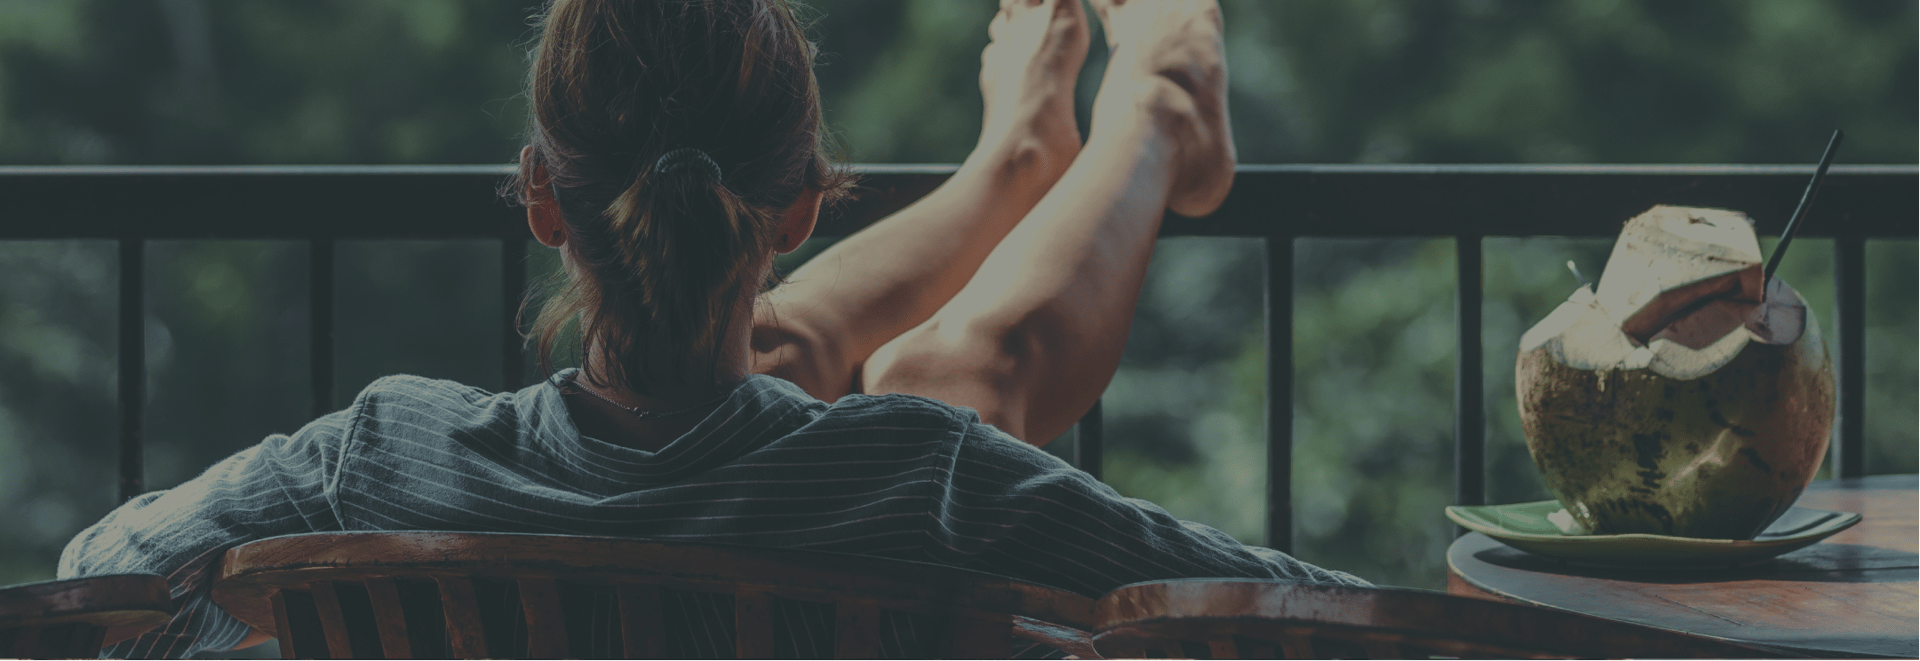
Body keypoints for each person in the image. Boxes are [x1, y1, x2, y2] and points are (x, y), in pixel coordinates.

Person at [59, 0, 1369, 657]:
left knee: (843, 384)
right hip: (847, 473)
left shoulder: (378, 462)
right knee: (929, 383)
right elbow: (1305, 618)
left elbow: (97, 581)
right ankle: (1134, 104)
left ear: (538, 199)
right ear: (800, 207)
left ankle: (1041, 150)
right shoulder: (930, 482)